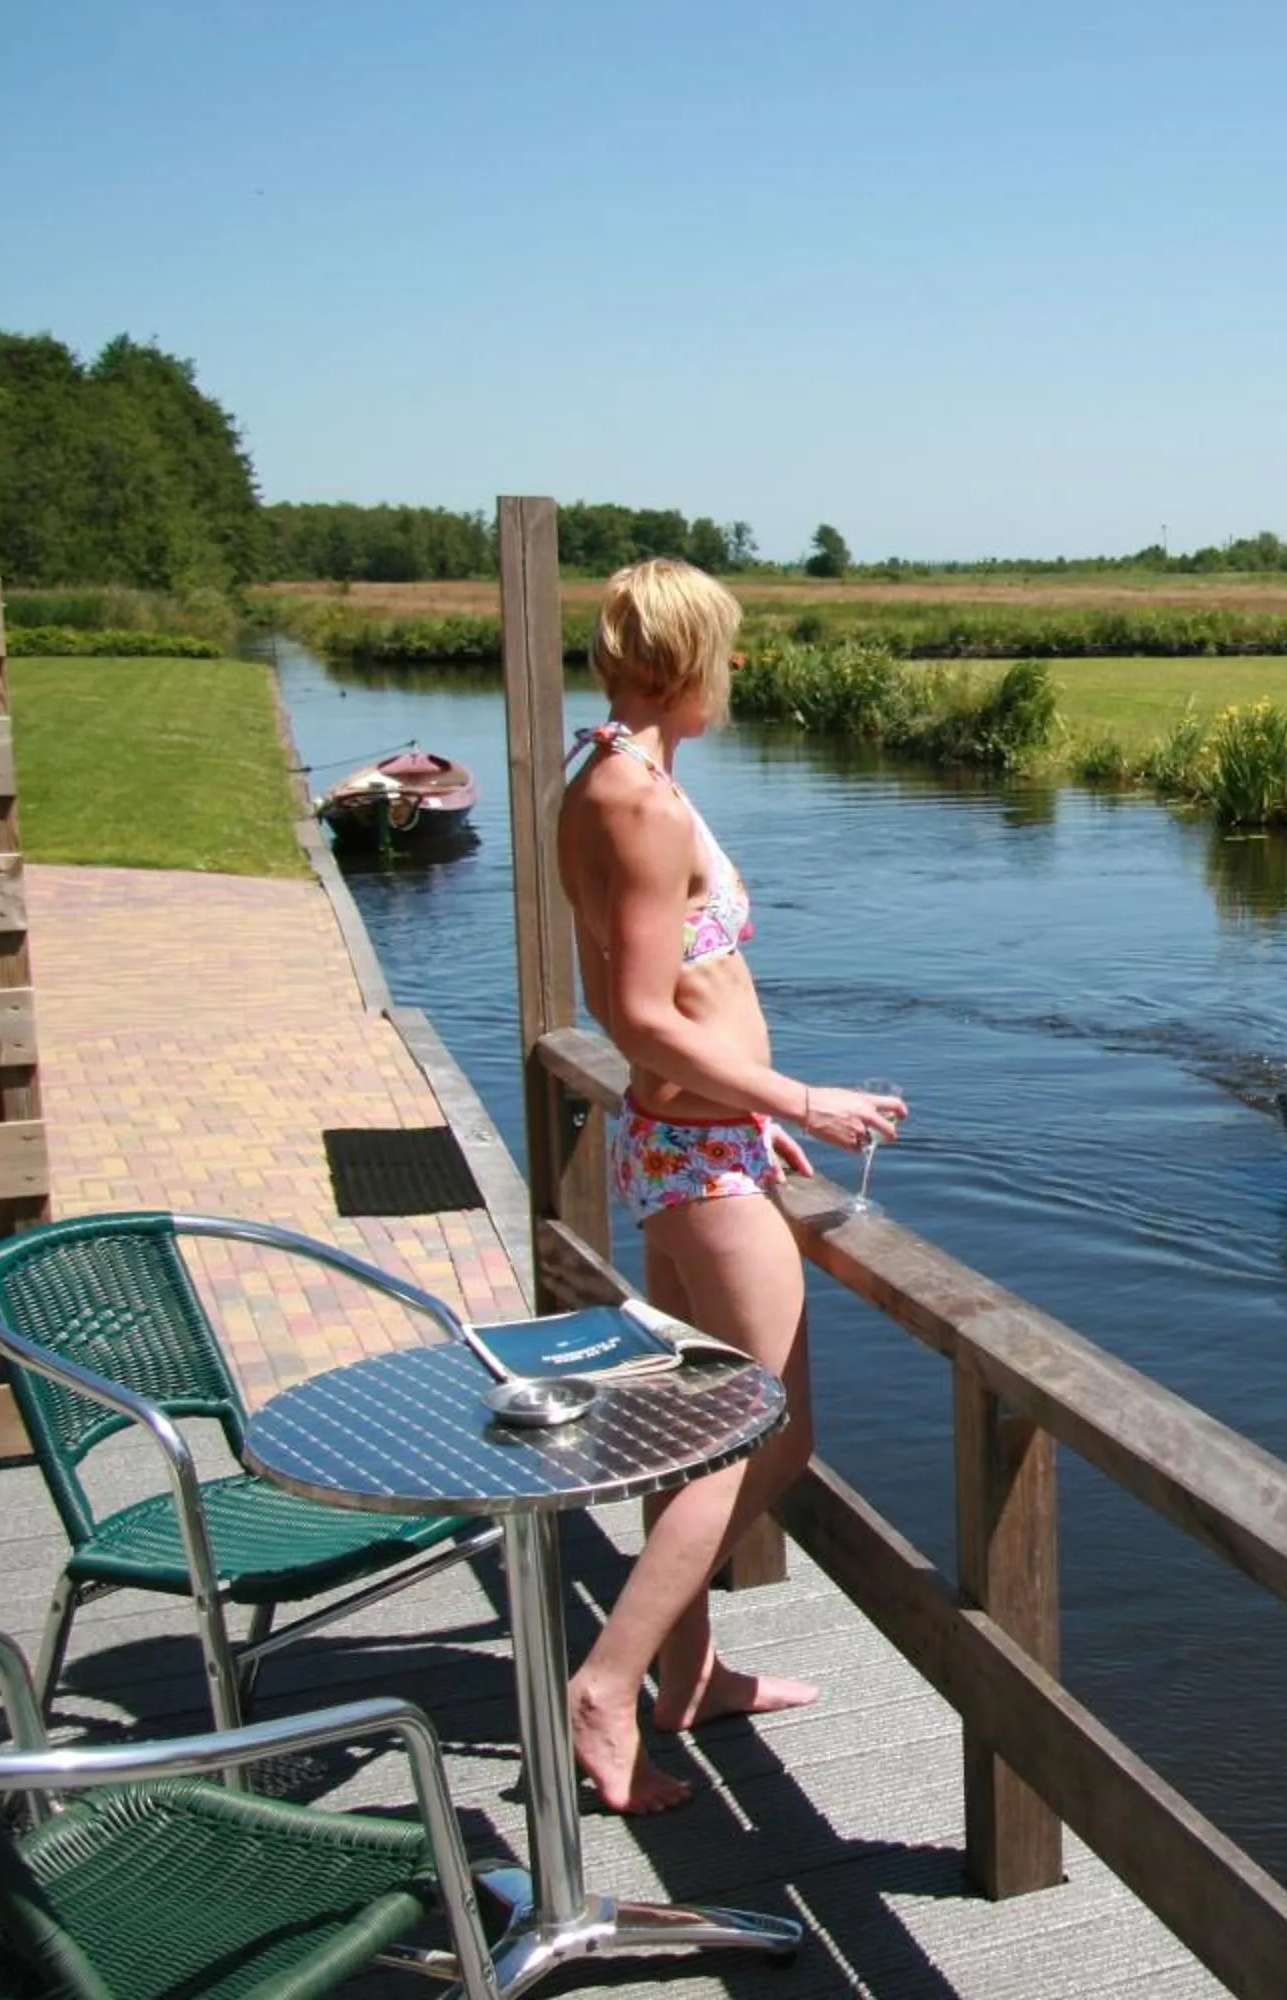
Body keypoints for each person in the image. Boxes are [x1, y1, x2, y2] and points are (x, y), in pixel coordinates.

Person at [555, 557, 906, 1816]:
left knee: (694, 1426)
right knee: (765, 1431)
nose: (739, 672)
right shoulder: (635, 802)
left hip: (697, 1145)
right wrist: (794, 1097)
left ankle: (689, 1671)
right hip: (701, 1157)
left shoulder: (610, 775)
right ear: (685, 660)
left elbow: (628, 1001)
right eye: (729, 650)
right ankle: (607, 1681)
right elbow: (643, 1012)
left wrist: (752, 1117)